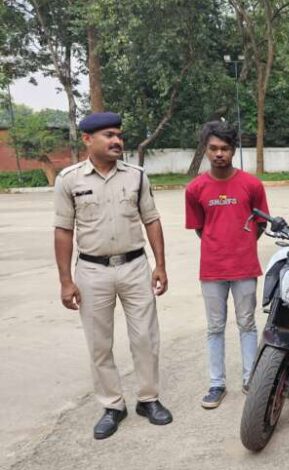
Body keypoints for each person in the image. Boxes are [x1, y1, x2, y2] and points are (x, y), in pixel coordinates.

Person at [53, 112, 172, 440]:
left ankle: (148, 399)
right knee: (99, 343)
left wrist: (160, 265)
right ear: (87, 139)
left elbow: (152, 220)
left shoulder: (136, 176)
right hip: (92, 271)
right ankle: (112, 406)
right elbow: (63, 231)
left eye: (119, 134)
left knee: (146, 337)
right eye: (109, 135)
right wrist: (65, 280)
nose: (117, 140)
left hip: (135, 267)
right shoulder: (69, 180)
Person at [185, 121, 269, 409]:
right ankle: (216, 384)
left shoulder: (252, 185)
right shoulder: (195, 189)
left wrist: (241, 245)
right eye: (213, 148)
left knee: (247, 323)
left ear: (234, 150)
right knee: (214, 327)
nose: (219, 154)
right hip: (212, 269)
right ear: (206, 150)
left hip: (245, 267)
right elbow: (200, 227)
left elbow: (260, 223)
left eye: (225, 148)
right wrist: (219, 244)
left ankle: (250, 378)